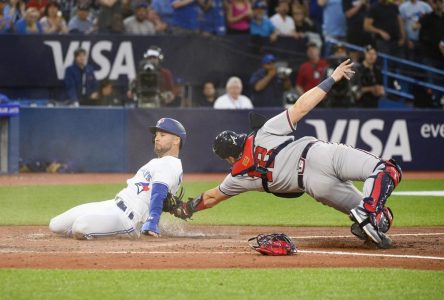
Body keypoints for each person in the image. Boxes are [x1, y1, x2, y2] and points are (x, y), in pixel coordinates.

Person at [173, 59, 402, 249]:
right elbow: (302, 106)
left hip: (316, 186)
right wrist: (332, 78)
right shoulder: (264, 132)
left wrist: (184, 208)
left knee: (372, 214)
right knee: (387, 170)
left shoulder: (239, 176)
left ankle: (367, 215)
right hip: (319, 155)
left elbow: (211, 197)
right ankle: (369, 212)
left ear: (229, 158)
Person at [49, 118, 186, 239]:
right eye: (156, 135)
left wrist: (152, 221)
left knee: (80, 227)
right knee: (55, 224)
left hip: (127, 219)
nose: (157, 138)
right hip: (113, 205)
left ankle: (100, 232)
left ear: (176, 140)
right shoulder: (156, 162)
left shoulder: (171, 164)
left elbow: (158, 192)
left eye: (163, 134)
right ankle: (99, 228)